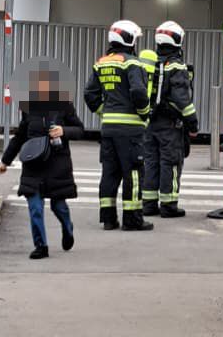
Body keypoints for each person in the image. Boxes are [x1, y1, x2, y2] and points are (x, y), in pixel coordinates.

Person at [0, 72, 83, 260]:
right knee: (35, 207)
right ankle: (41, 246)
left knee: (58, 206)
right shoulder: (29, 109)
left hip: (57, 165)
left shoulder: (65, 107)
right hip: (33, 165)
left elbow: (80, 130)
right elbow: (20, 136)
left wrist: (64, 131)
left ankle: (67, 227)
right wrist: (6, 160)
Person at [83, 19, 152, 231]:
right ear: (129, 39)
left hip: (109, 128)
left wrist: (105, 112)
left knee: (110, 173)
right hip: (130, 129)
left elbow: (90, 94)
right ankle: (132, 220)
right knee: (132, 173)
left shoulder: (101, 63)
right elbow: (140, 92)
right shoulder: (132, 63)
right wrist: (144, 113)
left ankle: (108, 219)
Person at [140, 20, 198, 218]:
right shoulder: (175, 66)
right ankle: (168, 205)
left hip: (149, 123)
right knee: (170, 162)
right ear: (177, 40)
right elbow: (183, 100)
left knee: (151, 162)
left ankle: (148, 204)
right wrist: (193, 123)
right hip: (170, 125)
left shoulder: (151, 63)